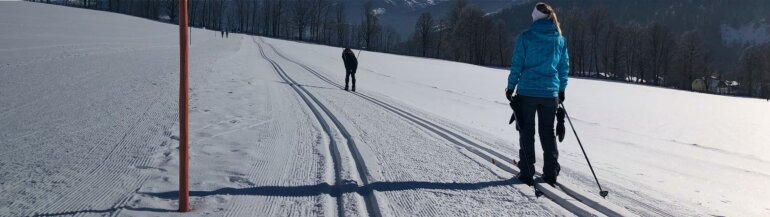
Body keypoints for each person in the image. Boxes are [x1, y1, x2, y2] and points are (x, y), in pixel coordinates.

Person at [505, 2, 569, 186]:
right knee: (547, 133)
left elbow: (517, 64)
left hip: (527, 92)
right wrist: (562, 89)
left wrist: (510, 87)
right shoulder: (559, 40)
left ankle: (526, 172)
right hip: (550, 94)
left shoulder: (526, 37)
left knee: (527, 132)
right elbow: (563, 68)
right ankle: (550, 172)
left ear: (534, 17)